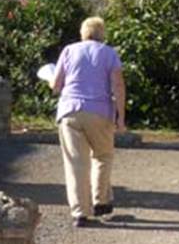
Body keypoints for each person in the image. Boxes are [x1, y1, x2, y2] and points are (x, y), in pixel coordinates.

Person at [49, 16, 126, 228]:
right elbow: (118, 85)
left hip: (69, 111)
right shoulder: (109, 53)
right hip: (100, 111)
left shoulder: (69, 50)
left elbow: (56, 85)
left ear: (83, 32)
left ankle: (80, 213)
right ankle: (100, 200)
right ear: (103, 33)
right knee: (102, 156)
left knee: (75, 163)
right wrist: (121, 117)